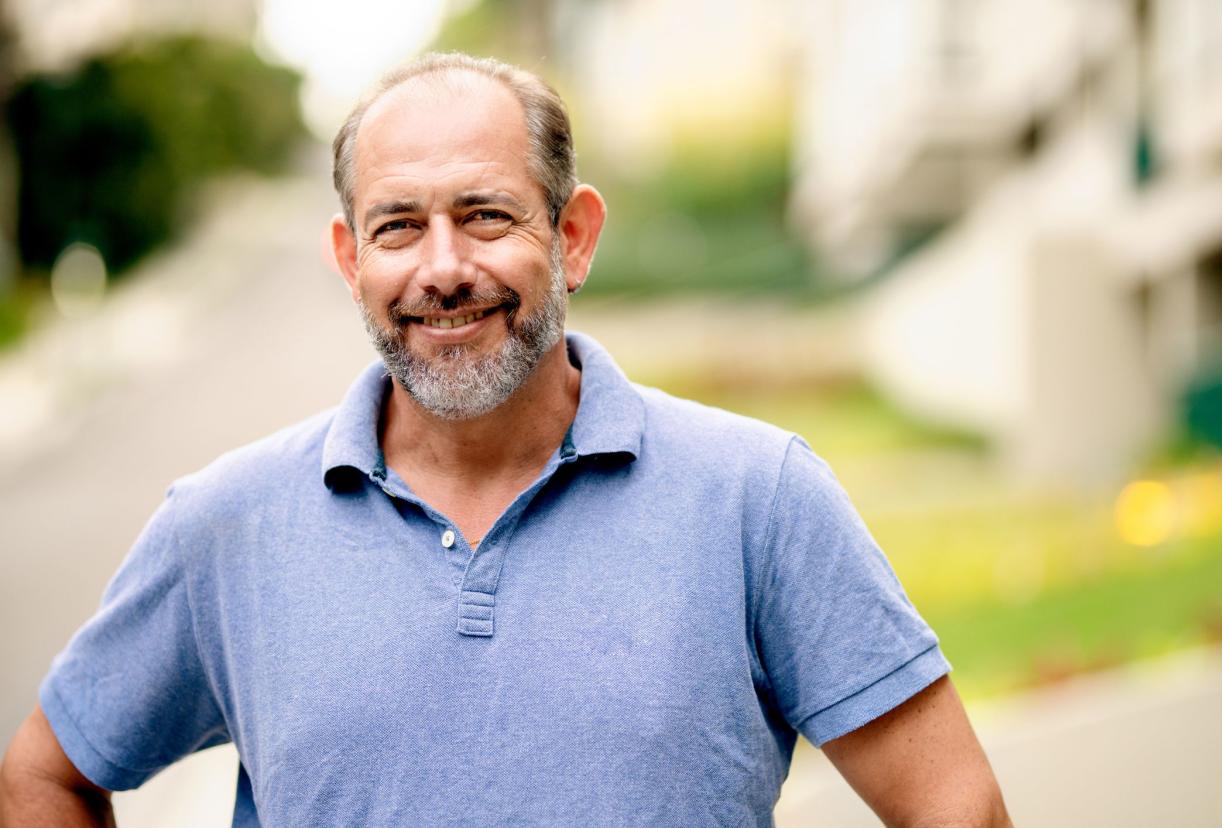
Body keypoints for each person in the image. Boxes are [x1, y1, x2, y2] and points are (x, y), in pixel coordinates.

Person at [0, 53, 1010, 826]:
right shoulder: (223, 527)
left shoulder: (758, 497)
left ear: (571, 236)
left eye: (484, 215)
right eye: (398, 227)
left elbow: (952, 805)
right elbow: (44, 773)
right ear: (350, 258)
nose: (442, 268)